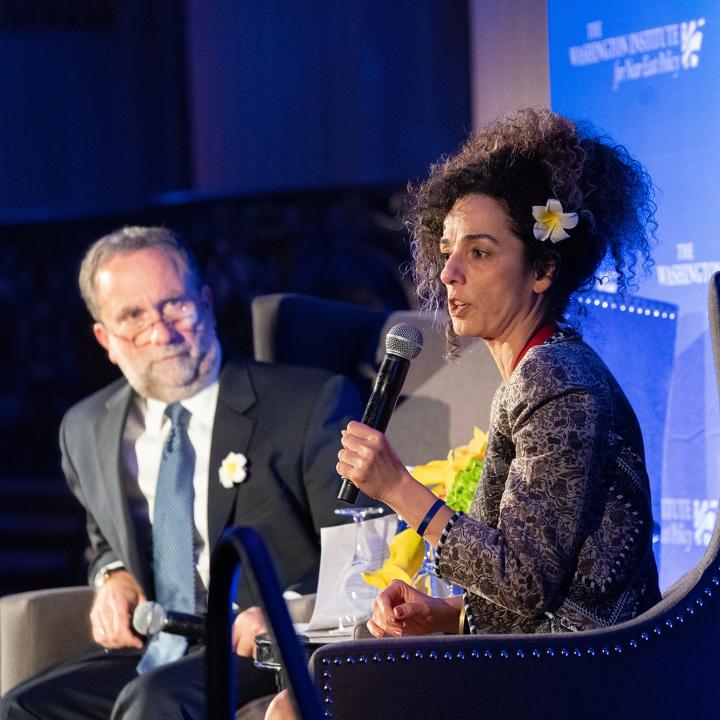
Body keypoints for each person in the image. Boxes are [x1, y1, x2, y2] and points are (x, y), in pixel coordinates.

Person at [0, 226, 363, 720]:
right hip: (161, 644)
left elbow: (362, 546)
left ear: (207, 303)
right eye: (133, 316)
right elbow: (103, 539)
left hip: (266, 644)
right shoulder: (86, 429)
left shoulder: (305, 403)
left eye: (176, 306)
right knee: (23, 708)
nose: (161, 334)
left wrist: (290, 611)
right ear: (105, 338)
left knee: (154, 700)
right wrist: (113, 577)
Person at [339, 108, 662, 640]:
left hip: (581, 683)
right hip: (549, 667)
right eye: (446, 252)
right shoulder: (540, 369)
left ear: (541, 270)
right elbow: (544, 586)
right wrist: (450, 616)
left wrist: (398, 487)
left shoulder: (558, 381)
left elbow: (522, 581)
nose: (448, 272)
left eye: (480, 252)